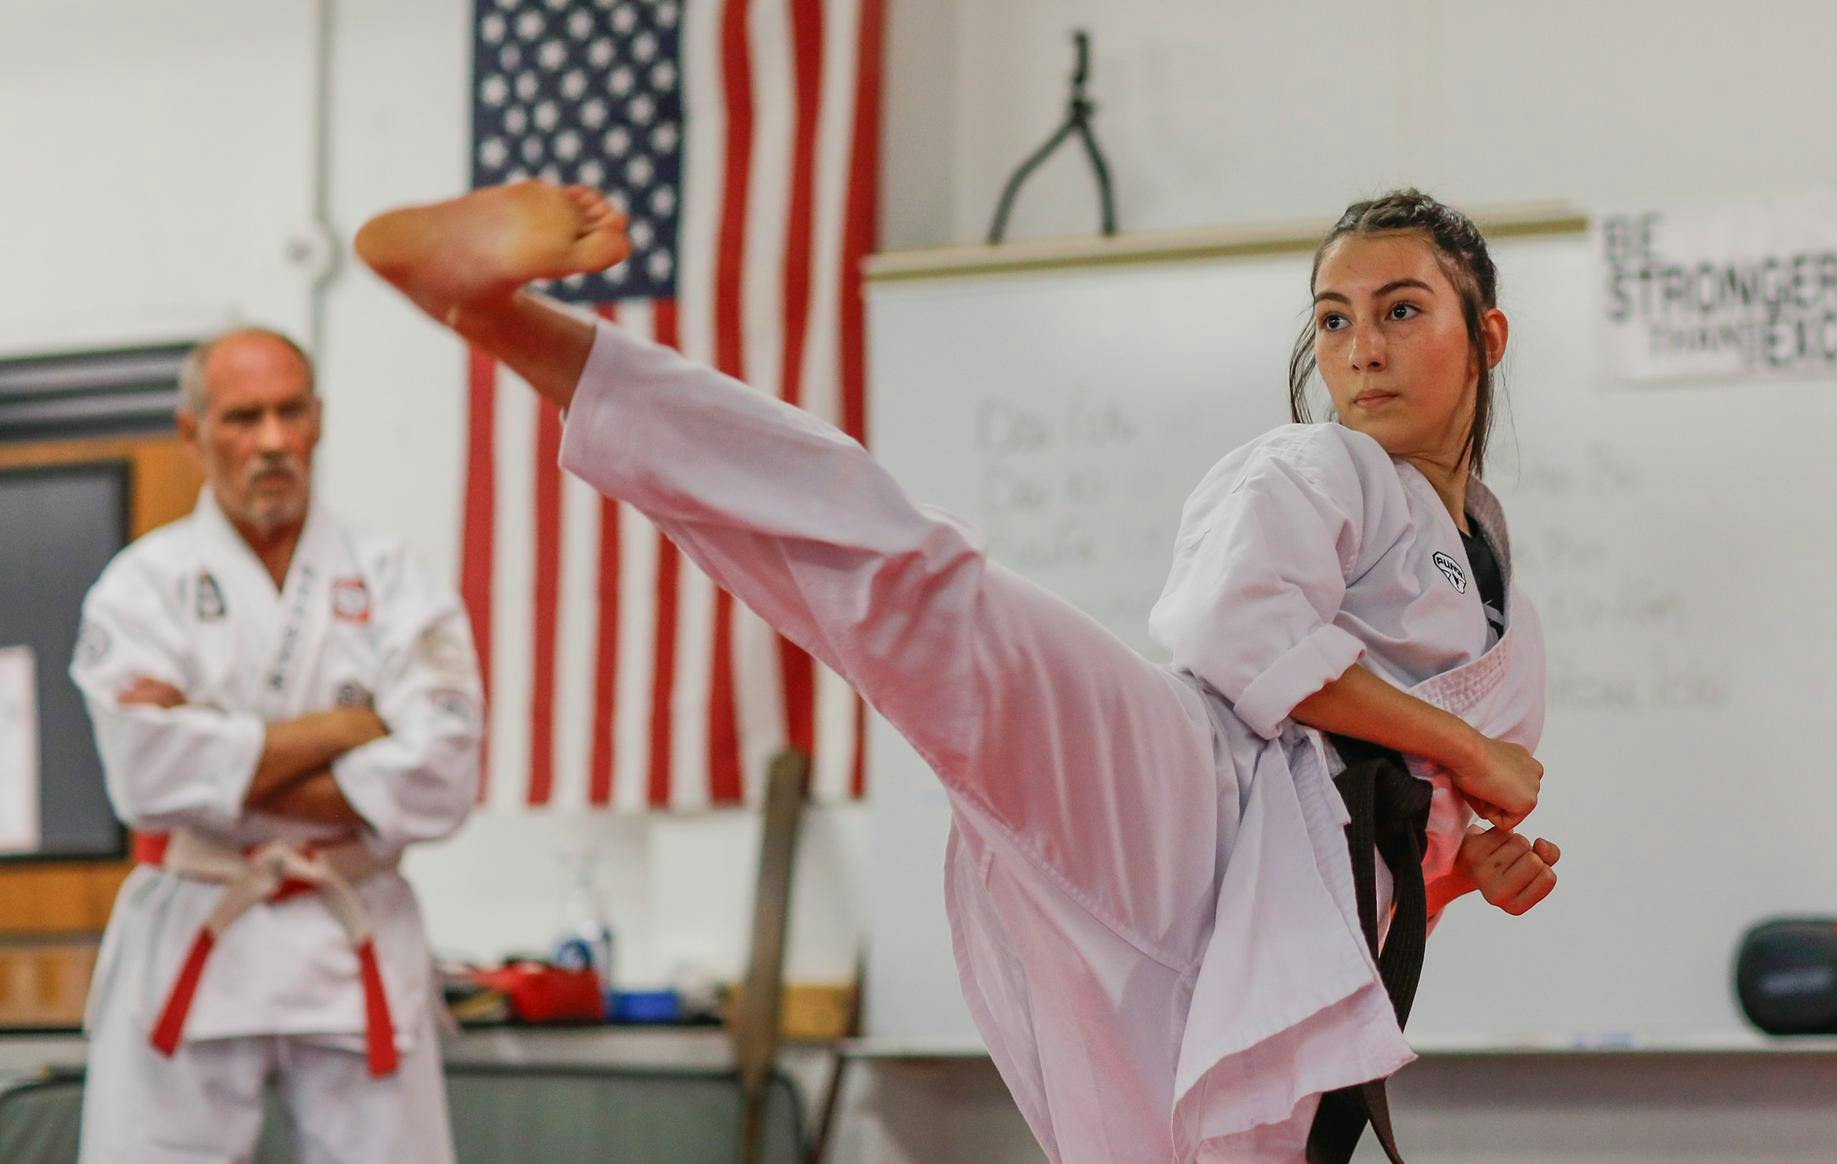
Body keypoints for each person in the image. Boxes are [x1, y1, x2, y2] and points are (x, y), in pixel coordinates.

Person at [354, 182, 1556, 1163]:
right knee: (925, 595)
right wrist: (1464, 750)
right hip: (1198, 788)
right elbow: (1235, 641)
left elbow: (1406, 835)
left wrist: (1463, 874)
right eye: (1333, 318)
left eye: (1400, 312)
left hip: (1288, 933)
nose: (1359, 352)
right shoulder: (1316, 468)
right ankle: (506, 319)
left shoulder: (1505, 601)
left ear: (1482, 338)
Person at [68, 327, 484, 1162]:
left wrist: (216, 751)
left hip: (351, 922)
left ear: (319, 421)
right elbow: (144, 777)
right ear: (191, 433)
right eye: (241, 418)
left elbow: (443, 777)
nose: (270, 442)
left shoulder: (393, 576)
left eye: (289, 413)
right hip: (198, 921)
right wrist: (344, 731)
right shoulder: (143, 587)